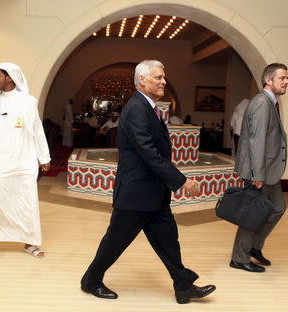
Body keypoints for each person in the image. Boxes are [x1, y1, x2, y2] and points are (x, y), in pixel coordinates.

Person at [80, 60, 216, 304]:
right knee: (115, 242)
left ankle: (183, 286)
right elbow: (149, 152)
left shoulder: (146, 107)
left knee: (168, 240)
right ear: (141, 79)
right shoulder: (136, 109)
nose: (164, 81)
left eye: (163, 77)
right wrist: (181, 181)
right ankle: (91, 280)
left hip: (153, 193)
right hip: (136, 194)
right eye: (158, 77)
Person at [0, 62, 51, 259]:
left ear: (10, 78)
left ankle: (30, 243)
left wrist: (44, 157)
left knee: (27, 202)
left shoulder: (29, 102)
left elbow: (37, 130)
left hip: (25, 161)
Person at [230, 63, 288, 272]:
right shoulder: (262, 103)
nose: (286, 81)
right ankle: (239, 258)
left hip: (270, 171)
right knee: (253, 214)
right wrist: (257, 174)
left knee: (278, 208)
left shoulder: (270, 103)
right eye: (282, 78)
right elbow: (256, 142)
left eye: (286, 78)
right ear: (268, 80)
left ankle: (254, 247)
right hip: (260, 172)